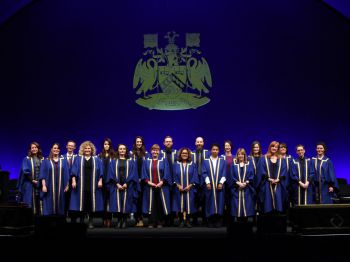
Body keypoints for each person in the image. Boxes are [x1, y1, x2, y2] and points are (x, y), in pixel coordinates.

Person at [70, 141, 103, 228]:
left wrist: (100, 181)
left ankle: (90, 221)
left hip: (93, 185)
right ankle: (81, 220)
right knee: (82, 203)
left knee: (90, 204)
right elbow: (74, 171)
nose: (87, 150)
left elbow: (101, 171)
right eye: (86, 148)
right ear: (83, 149)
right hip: (81, 185)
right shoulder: (78, 159)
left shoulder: (96, 159)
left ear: (92, 150)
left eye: (89, 148)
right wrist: (73, 181)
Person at [108, 144, 138, 229]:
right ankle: (118, 221)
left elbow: (133, 174)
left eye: (124, 149)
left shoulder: (130, 161)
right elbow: (111, 173)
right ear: (118, 150)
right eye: (120, 149)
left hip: (127, 186)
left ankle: (124, 221)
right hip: (116, 186)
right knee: (117, 204)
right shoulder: (113, 161)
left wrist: (126, 183)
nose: (122, 150)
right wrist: (117, 183)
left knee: (126, 203)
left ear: (126, 151)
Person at [142, 144, 171, 228]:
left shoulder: (163, 160)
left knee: (160, 204)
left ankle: (160, 222)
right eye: (153, 150)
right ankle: (151, 222)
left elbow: (166, 172)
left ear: (159, 151)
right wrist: (149, 182)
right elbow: (144, 173)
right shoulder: (146, 161)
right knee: (151, 205)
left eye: (157, 150)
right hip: (150, 187)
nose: (155, 151)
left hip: (161, 187)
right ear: (151, 151)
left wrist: (161, 182)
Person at [255, 141, 288, 214]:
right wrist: (268, 178)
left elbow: (284, 171)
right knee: (267, 205)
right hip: (267, 184)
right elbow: (261, 171)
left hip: (278, 184)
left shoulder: (281, 159)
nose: (274, 148)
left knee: (278, 203)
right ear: (270, 147)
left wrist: (278, 179)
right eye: (273, 146)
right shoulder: (263, 158)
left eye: (276, 147)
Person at [39, 143, 70, 216]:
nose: (56, 150)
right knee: (49, 204)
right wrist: (43, 185)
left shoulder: (64, 161)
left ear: (59, 150)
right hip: (49, 187)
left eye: (57, 148)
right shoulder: (46, 161)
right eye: (54, 148)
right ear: (51, 149)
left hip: (60, 187)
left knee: (60, 204)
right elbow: (42, 174)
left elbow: (67, 174)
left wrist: (67, 185)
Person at [172, 147, 199, 227]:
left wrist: (190, 185)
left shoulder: (192, 164)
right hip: (178, 189)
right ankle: (181, 221)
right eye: (183, 153)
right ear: (180, 154)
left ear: (188, 155)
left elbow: (195, 176)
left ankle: (187, 221)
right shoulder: (176, 164)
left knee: (189, 204)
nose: (184, 155)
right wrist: (178, 185)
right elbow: (173, 176)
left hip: (189, 189)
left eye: (186, 153)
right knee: (179, 204)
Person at [202, 143, 227, 227]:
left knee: (219, 202)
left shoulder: (222, 161)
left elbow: (224, 172)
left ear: (219, 151)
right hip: (209, 186)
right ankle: (210, 220)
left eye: (216, 149)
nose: (215, 151)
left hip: (219, 186)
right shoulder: (206, 161)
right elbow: (204, 172)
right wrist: (208, 182)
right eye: (213, 149)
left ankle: (218, 220)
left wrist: (221, 183)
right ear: (211, 150)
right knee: (209, 202)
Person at [227, 148, 255, 220]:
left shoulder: (249, 164)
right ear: (237, 155)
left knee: (246, 206)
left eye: (242, 154)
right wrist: (238, 183)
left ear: (244, 155)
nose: (240, 156)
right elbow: (231, 175)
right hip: (236, 188)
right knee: (236, 207)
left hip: (247, 189)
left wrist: (245, 183)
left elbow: (252, 175)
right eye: (239, 154)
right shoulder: (234, 165)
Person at [18, 142, 44, 215]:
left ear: (38, 149)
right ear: (30, 149)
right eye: (32, 147)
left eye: (36, 147)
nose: (34, 149)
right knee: (30, 204)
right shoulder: (26, 159)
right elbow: (25, 171)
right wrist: (33, 180)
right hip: (30, 184)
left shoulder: (42, 159)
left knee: (38, 202)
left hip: (40, 185)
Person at [191, 136, 210, 226]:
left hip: (204, 181)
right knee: (194, 201)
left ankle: (205, 220)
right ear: (195, 143)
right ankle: (194, 220)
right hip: (194, 181)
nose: (199, 143)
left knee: (205, 201)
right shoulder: (191, 154)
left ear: (203, 143)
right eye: (197, 142)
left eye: (200, 142)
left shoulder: (208, 154)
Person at [130, 136, 148, 227]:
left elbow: (147, 168)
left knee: (141, 200)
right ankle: (136, 219)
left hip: (143, 181)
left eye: (140, 142)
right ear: (135, 143)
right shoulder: (130, 154)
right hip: (134, 181)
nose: (139, 143)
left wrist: (143, 178)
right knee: (135, 200)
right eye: (137, 142)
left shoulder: (146, 154)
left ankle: (141, 219)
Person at [161, 136, 177, 226]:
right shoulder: (160, 154)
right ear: (164, 143)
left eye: (170, 141)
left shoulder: (176, 153)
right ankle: (165, 220)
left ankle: (172, 220)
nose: (168, 143)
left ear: (172, 143)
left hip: (175, 181)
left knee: (174, 201)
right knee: (165, 201)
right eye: (166, 141)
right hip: (164, 182)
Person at [98, 138, 115, 228]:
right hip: (102, 182)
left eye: (108, 144)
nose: (106, 146)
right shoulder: (100, 156)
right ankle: (104, 219)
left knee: (110, 201)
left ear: (110, 145)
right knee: (103, 201)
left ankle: (109, 219)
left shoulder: (114, 156)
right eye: (105, 144)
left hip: (111, 182)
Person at [63, 140, 77, 219]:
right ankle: (64, 219)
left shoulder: (78, 157)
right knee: (64, 201)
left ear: (74, 147)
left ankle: (73, 220)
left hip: (74, 183)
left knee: (73, 202)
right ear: (66, 146)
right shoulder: (61, 157)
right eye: (69, 145)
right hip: (64, 183)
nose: (70, 147)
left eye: (72, 146)